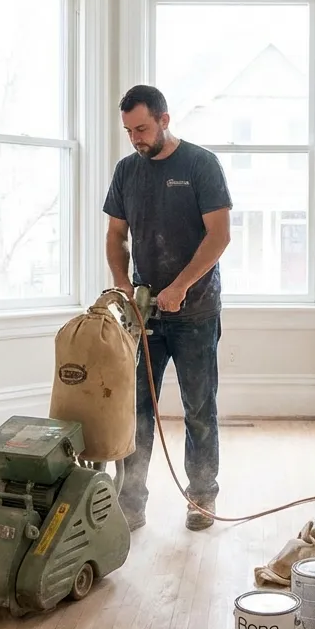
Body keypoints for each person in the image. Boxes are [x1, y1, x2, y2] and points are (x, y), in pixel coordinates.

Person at [103, 84, 232, 533]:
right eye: (128, 131)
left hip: (196, 311)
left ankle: (201, 498)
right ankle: (130, 503)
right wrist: (122, 285)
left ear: (164, 119)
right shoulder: (126, 172)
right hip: (144, 315)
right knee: (137, 409)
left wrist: (179, 286)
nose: (135, 138)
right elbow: (117, 235)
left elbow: (219, 236)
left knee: (199, 407)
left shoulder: (200, 165)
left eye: (141, 127)